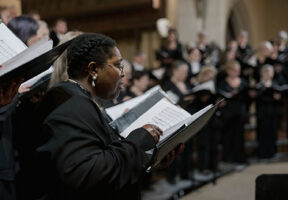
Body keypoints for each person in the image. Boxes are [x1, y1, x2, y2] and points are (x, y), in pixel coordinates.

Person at [16, 33, 182, 200]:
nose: (122, 74)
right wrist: (139, 141)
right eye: (118, 66)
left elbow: (105, 160)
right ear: (93, 69)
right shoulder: (71, 105)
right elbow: (88, 175)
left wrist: (148, 160)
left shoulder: (75, 98)